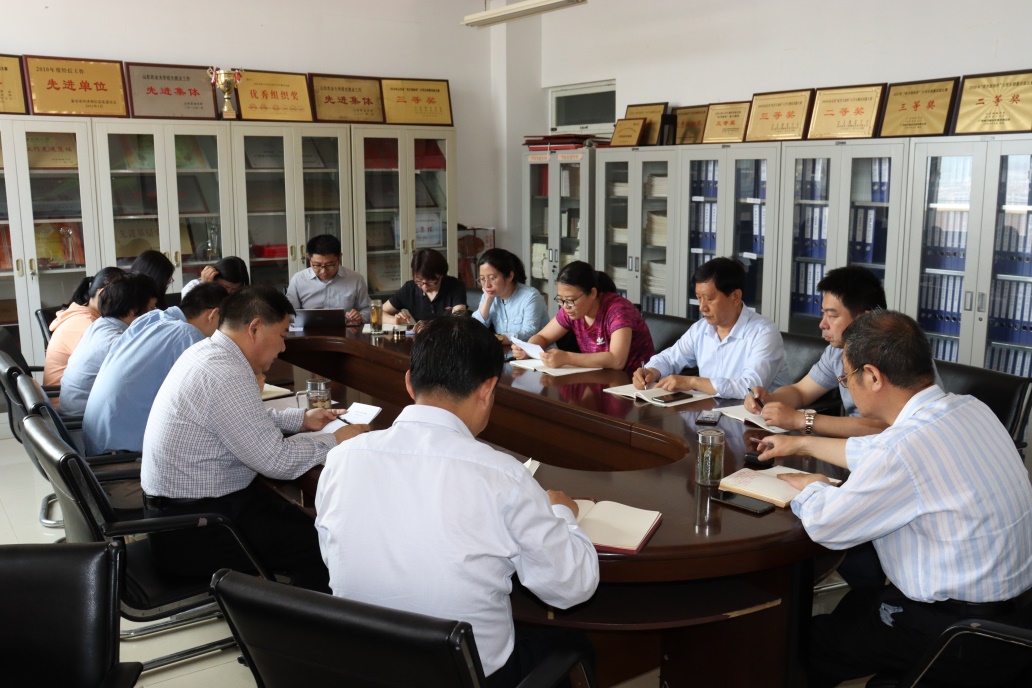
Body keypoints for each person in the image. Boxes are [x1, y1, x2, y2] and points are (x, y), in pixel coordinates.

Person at [315, 316, 599, 686]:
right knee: (573, 644)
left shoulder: (342, 458)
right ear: (488, 389)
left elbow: (335, 554)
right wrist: (562, 512)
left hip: (362, 667)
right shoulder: (503, 475)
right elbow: (571, 587)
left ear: (409, 382)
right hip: (465, 676)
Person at [756, 311, 1032, 687]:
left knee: (800, 647)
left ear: (872, 376)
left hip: (957, 633)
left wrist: (812, 487)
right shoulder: (970, 408)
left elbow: (827, 525)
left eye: (846, 377)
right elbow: (880, 451)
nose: (846, 385)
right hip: (1015, 618)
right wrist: (800, 443)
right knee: (858, 604)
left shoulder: (902, 450)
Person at [141, 286, 370, 591]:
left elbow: (240, 420)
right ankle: (301, 618)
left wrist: (301, 420)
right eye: (282, 335)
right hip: (197, 529)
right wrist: (337, 440)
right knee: (321, 541)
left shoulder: (207, 352)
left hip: (181, 516)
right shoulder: (227, 372)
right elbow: (278, 461)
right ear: (255, 328)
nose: (283, 347)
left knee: (301, 520)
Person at [83, 282, 228, 455]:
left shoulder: (152, 318)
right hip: (121, 456)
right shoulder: (188, 335)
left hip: (98, 442)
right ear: (213, 315)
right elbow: (213, 400)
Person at [744, 265, 888, 437]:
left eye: (832, 316)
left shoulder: (893, 355)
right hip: (851, 445)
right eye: (823, 314)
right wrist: (768, 399)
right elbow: (800, 392)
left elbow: (883, 427)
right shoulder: (836, 352)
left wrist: (802, 420)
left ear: (864, 319)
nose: (822, 324)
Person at [632, 257, 788, 397]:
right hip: (709, 412)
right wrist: (651, 371)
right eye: (699, 298)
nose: (702, 307)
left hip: (752, 416)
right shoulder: (701, 328)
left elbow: (749, 388)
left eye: (709, 299)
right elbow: (670, 358)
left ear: (735, 296)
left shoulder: (764, 333)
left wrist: (693, 382)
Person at [513, 261, 654, 373]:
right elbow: (543, 337)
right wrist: (529, 349)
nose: (565, 306)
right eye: (561, 299)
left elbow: (617, 360)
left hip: (632, 382)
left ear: (592, 293)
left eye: (570, 300)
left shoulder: (618, 310)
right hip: (598, 377)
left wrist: (567, 357)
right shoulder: (572, 309)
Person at [58, 273, 157, 417]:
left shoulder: (100, 324)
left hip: (75, 414)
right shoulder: (116, 342)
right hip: (81, 423)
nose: (155, 314)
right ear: (133, 309)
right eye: (151, 308)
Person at [43, 267, 125, 387]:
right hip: (60, 395)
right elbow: (115, 362)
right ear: (103, 294)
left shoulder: (82, 313)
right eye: (122, 299)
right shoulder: (85, 323)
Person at [285, 234, 370, 325]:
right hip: (308, 331)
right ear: (309, 257)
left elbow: (368, 309)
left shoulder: (355, 279)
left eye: (329, 265)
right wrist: (298, 319)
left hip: (345, 330)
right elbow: (288, 313)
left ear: (340, 257)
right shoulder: (298, 280)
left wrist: (360, 316)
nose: (323, 271)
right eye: (317, 265)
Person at [471, 248, 549, 346]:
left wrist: (499, 338)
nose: (487, 285)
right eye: (482, 279)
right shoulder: (489, 295)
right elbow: (474, 328)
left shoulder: (530, 296)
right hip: (505, 352)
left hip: (535, 353)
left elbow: (529, 333)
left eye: (492, 278)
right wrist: (488, 300)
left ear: (510, 276)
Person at [383, 248, 467, 324]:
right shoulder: (409, 289)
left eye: (430, 281)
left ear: (441, 275)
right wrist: (394, 320)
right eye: (419, 281)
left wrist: (427, 328)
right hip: (421, 335)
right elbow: (379, 312)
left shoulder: (456, 286)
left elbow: (458, 321)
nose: (424, 287)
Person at [181, 256, 249, 297]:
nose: (228, 292)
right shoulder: (192, 287)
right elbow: (191, 314)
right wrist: (205, 288)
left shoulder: (241, 292)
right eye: (226, 287)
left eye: (234, 289)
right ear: (214, 278)